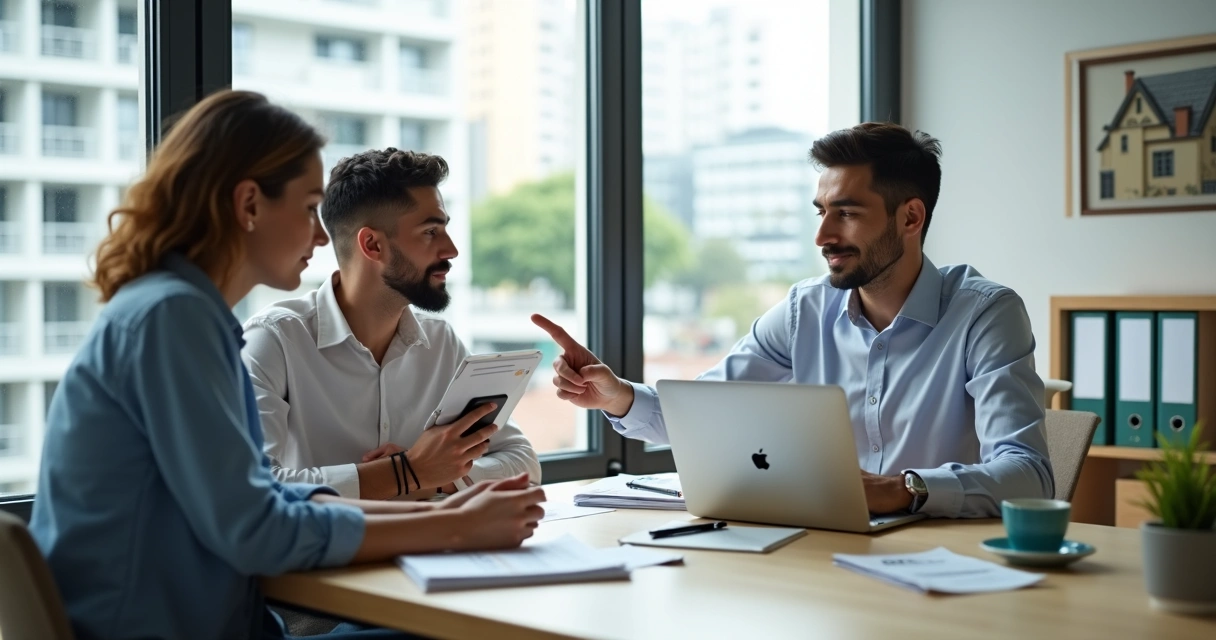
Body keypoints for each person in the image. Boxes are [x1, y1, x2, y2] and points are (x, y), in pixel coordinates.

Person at [28, 90, 545, 640]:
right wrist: (450, 526)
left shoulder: (180, 314)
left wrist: (445, 517)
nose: (322, 236)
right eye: (307, 209)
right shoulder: (174, 320)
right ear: (249, 205)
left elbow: (267, 499)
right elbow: (256, 528)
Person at [532, 122, 1053, 519]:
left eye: (846, 213)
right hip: (819, 554)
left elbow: (1028, 476)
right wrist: (617, 395)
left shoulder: (986, 313)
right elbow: (710, 411)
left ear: (911, 217)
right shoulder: (805, 309)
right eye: (820, 211)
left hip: (944, 568)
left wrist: (899, 489)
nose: (823, 235)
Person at [241, 148, 541, 501]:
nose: (451, 250)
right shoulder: (273, 340)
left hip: (433, 551)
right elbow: (256, 487)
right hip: (326, 555)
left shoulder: (441, 344)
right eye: (430, 232)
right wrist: (405, 472)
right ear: (372, 245)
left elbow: (524, 462)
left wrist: (440, 475)